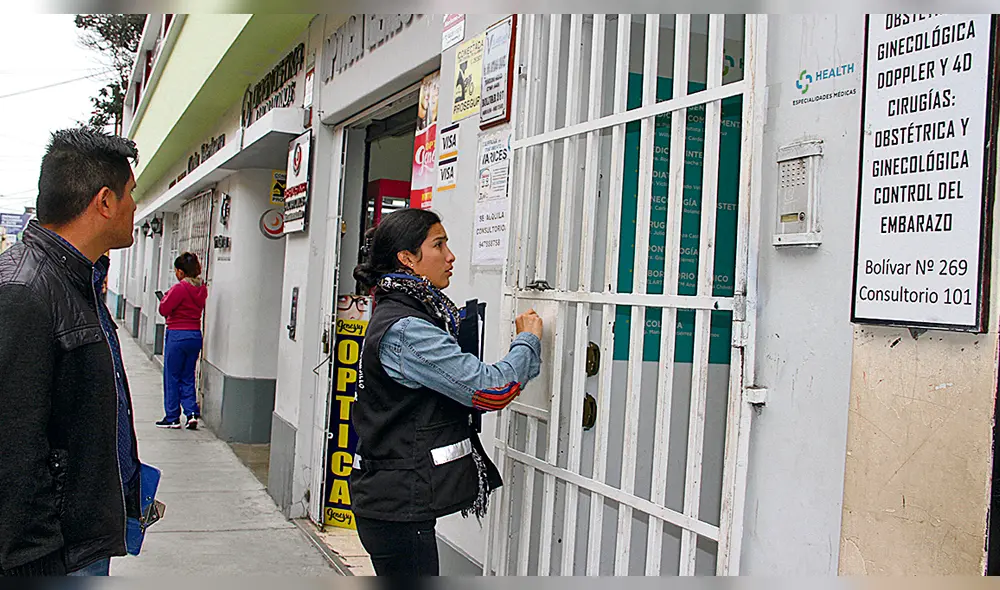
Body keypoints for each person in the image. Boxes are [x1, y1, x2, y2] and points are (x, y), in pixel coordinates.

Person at [349, 208, 544, 577]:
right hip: (397, 506)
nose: (450, 256)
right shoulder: (408, 329)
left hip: (392, 501)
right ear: (407, 259)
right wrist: (528, 340)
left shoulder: (406, 313)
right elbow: (492, 389)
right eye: (439, 245)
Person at [0, 127, 141, 576]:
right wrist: (35, 564)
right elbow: (12, 450)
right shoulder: (25, 292)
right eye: (131, 194)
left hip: (79, 543)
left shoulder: (78, 280)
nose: (136, 206)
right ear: (104, 202)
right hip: (50, 558)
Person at [156, 252, 207, 430]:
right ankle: (191, 413)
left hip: (177, 334)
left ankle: (172, 417)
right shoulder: (202, 288)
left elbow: (164, 309)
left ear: (181, 272)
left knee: (172, 376)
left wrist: (164, 297)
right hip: (194, 335)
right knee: (188, 375)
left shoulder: (179, 288)